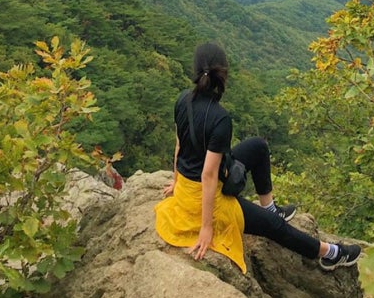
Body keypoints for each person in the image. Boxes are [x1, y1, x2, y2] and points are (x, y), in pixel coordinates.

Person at [154, 42, 361, 273]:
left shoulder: (183, 100)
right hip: (205, 199)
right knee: (274, 227)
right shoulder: (220, 118)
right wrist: (206, 227)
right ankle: (331, 253)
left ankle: (269, 207)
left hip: (190, 186)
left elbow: (179, 146)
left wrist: (177, 180)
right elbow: (208, 174)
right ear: (223, 74)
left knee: (258, 146)